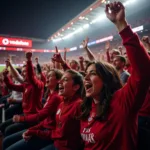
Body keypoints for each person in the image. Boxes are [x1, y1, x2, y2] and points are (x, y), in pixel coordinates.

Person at [80, 2, 150, 150]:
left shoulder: (122, 101)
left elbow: (143, 71)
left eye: (92, 74)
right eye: (85, 74)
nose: (85, 78)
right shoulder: (86, 107)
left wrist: (121, 25)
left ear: (106, 79)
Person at [2, 69, 62, 150]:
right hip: (38, 124)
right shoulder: (50, 94)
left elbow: (41, 116)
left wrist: (22, 119)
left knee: (8, 135)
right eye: (22, 72)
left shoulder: (39, 86)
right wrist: (32, 130)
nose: (47, 77)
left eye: (50, 76)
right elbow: (45, 120)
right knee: (7, 139)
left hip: (39, 125)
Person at [0, 52, 44, 137]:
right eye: (23, 71)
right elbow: (12, 86)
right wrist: (5, 77)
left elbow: (31, 77)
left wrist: (29, 60)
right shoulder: (25, 85)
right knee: (2, 126)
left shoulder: (38, 84)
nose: (23, 73)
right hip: (25, 115)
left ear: (33, 72)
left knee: (8, 130)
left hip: (32, 119)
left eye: (25, 71)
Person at [42, 70, 84, 150]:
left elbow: (60, 134)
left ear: (76, 87)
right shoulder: (61, 104)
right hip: (56, 143)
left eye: (65, 80)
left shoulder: (78, 105)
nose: (59, 82)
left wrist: (35, 132)